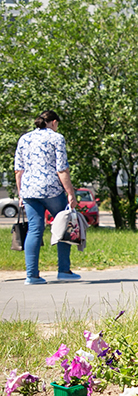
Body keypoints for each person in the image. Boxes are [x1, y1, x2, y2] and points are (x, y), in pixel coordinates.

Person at [14, 110, 81, 285]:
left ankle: (32, 276)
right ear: (53, 122)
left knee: (35, 229)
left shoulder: (24, 139)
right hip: (50, 188)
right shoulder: (56, 138)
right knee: (64, 224)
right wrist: (71, 193)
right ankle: (64, 270)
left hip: (29, 190)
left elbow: (18, 170)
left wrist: (21, 193)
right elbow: (62, 169)